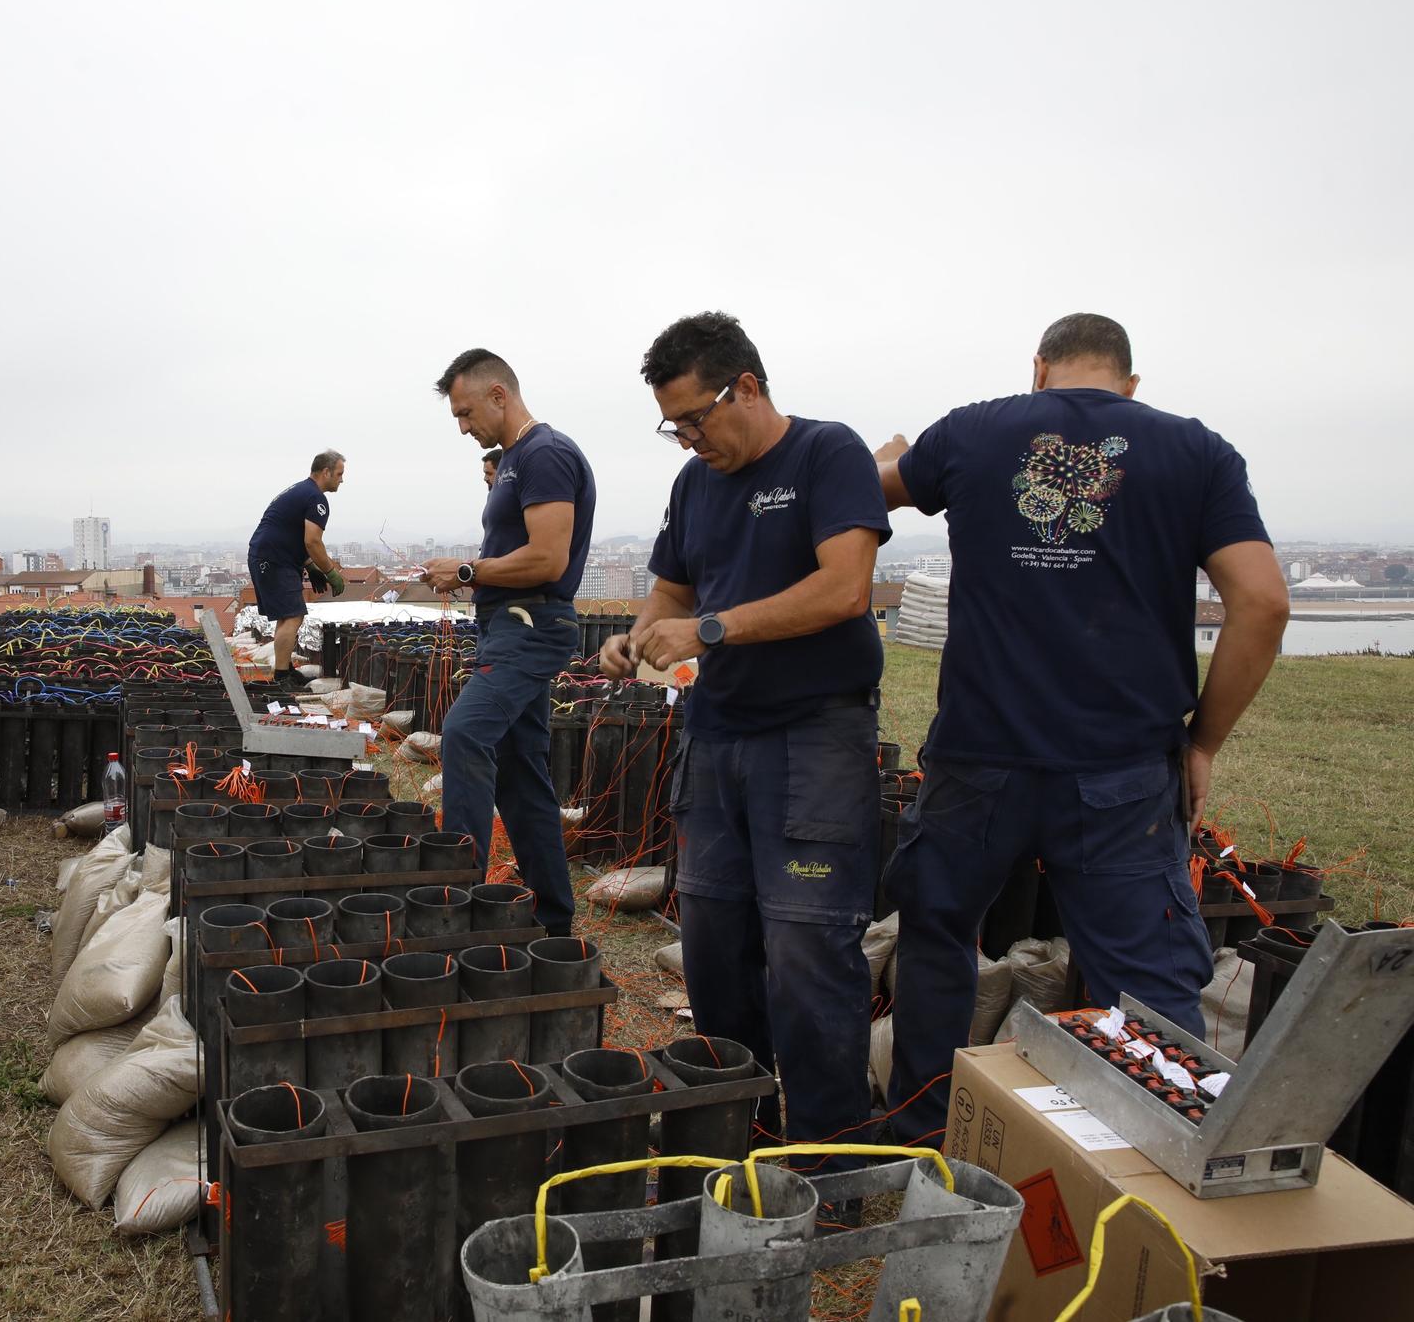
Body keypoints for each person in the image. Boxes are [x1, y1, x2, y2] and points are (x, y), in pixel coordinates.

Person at [875, 313, 1289, 1145]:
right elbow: (1265, 601)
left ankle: (923, 1128)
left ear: (1040, 369)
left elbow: (865, 488)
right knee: (1146, 976)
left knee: (938, 935)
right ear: (1129, 383)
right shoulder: (1196, 450)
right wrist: (1200, 741)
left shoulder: (973, 431)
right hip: (1122, 769)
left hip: (977, 759)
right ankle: (1146, 1151)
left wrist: (897, 451)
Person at [602, 311, 889, 1173]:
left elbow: (844, 589)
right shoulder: (696, 487)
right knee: (715, 945)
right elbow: (670, 592)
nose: (689, 440)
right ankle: (746, 1131)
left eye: (697, 418)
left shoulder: (827, 456)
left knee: (807, 949)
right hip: (718, 736)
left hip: (815, 739)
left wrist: (710, 631)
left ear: (749, 387)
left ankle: (831, 1160)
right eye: (673, 426)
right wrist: (639, 634)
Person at [421, 348, 596, 936]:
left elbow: (549, 557)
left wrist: (468, 572)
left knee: (465, 734)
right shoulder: (521, 458)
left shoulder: (543, 454)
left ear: (500, 394)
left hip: (530, 625)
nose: (465, 427)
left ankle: (456, 904)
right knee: (522, 777)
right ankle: (552, 921)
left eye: (467, 413)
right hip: (508, 625)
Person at [247, 451, 347, 689]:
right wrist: (331, 572)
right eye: (339, 474)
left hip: (269, 556)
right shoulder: (316, 498)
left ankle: (284, 670)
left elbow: (290, 533)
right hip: (274, 560)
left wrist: (310, 566)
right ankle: (281, 677)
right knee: (292, 615)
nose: (342, 480)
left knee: (289, 615)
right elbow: (312, 541)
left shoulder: (301, 490)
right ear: (326, 472)